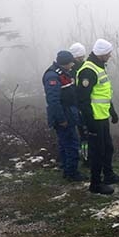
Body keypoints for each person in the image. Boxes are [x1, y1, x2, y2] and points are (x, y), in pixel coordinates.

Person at [76, 39, 119, 195]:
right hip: (94, 119)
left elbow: (104, 94)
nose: (110, 56)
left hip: (102, 116)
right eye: (109, 53)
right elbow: (82, 100)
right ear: (102, 54)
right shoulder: (88, 71)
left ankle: (108, 175)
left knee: (107, 148)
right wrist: (89, 121)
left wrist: (112, 112)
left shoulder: (99, 67)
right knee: (97, 152)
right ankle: (95, 184)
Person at [43, 50, 85, 182]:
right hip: (64, 117)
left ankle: (68, 170)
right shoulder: (52, 76)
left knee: (65, 143)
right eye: (71, 62)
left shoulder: (62, 73)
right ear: (65, 63)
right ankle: (72, 173)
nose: (73, 65)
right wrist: (61, 119)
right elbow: (53, 101)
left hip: (69, 114)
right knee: (71, 144)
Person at [69, 42, 89, 167]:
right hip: (76, 107)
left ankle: (88, 156)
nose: (81, 59)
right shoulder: (70, 71)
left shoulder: (86, 68)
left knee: (87, 134)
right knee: (83, 134)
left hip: (86, 106)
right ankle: (86, 158)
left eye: (82, 57)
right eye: (78, 58)